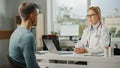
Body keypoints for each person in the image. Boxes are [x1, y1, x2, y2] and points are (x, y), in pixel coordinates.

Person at [9, 2, 40, 68]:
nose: (38, 18)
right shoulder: (28, 37)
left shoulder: (15, 33)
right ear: (32, 16)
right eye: (37, 15)